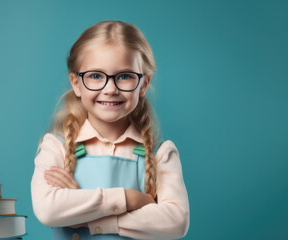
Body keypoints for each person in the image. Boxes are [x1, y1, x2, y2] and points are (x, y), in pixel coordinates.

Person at [31, 20, 189, 240]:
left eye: (124, 76)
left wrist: (89, 214)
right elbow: (48, 210)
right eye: (96, 76)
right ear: (76, 83)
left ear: (143, 84)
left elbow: (176, 221)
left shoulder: (161, 153)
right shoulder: (55, 148)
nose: (110, 89)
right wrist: (130, 200)